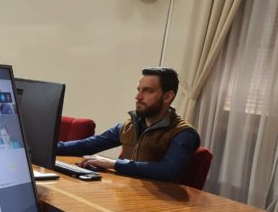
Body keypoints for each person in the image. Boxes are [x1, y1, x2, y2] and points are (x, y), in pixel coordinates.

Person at [56, 67, 200, 182]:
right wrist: (46, 147)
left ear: (167, 96)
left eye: (147, 91)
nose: (138, 97)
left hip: (157, 205)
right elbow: (87, 145)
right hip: (125, 193)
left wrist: (114, 164)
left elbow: (168, 171)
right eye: (139, 90)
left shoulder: (183, 133)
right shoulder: (129, 125)